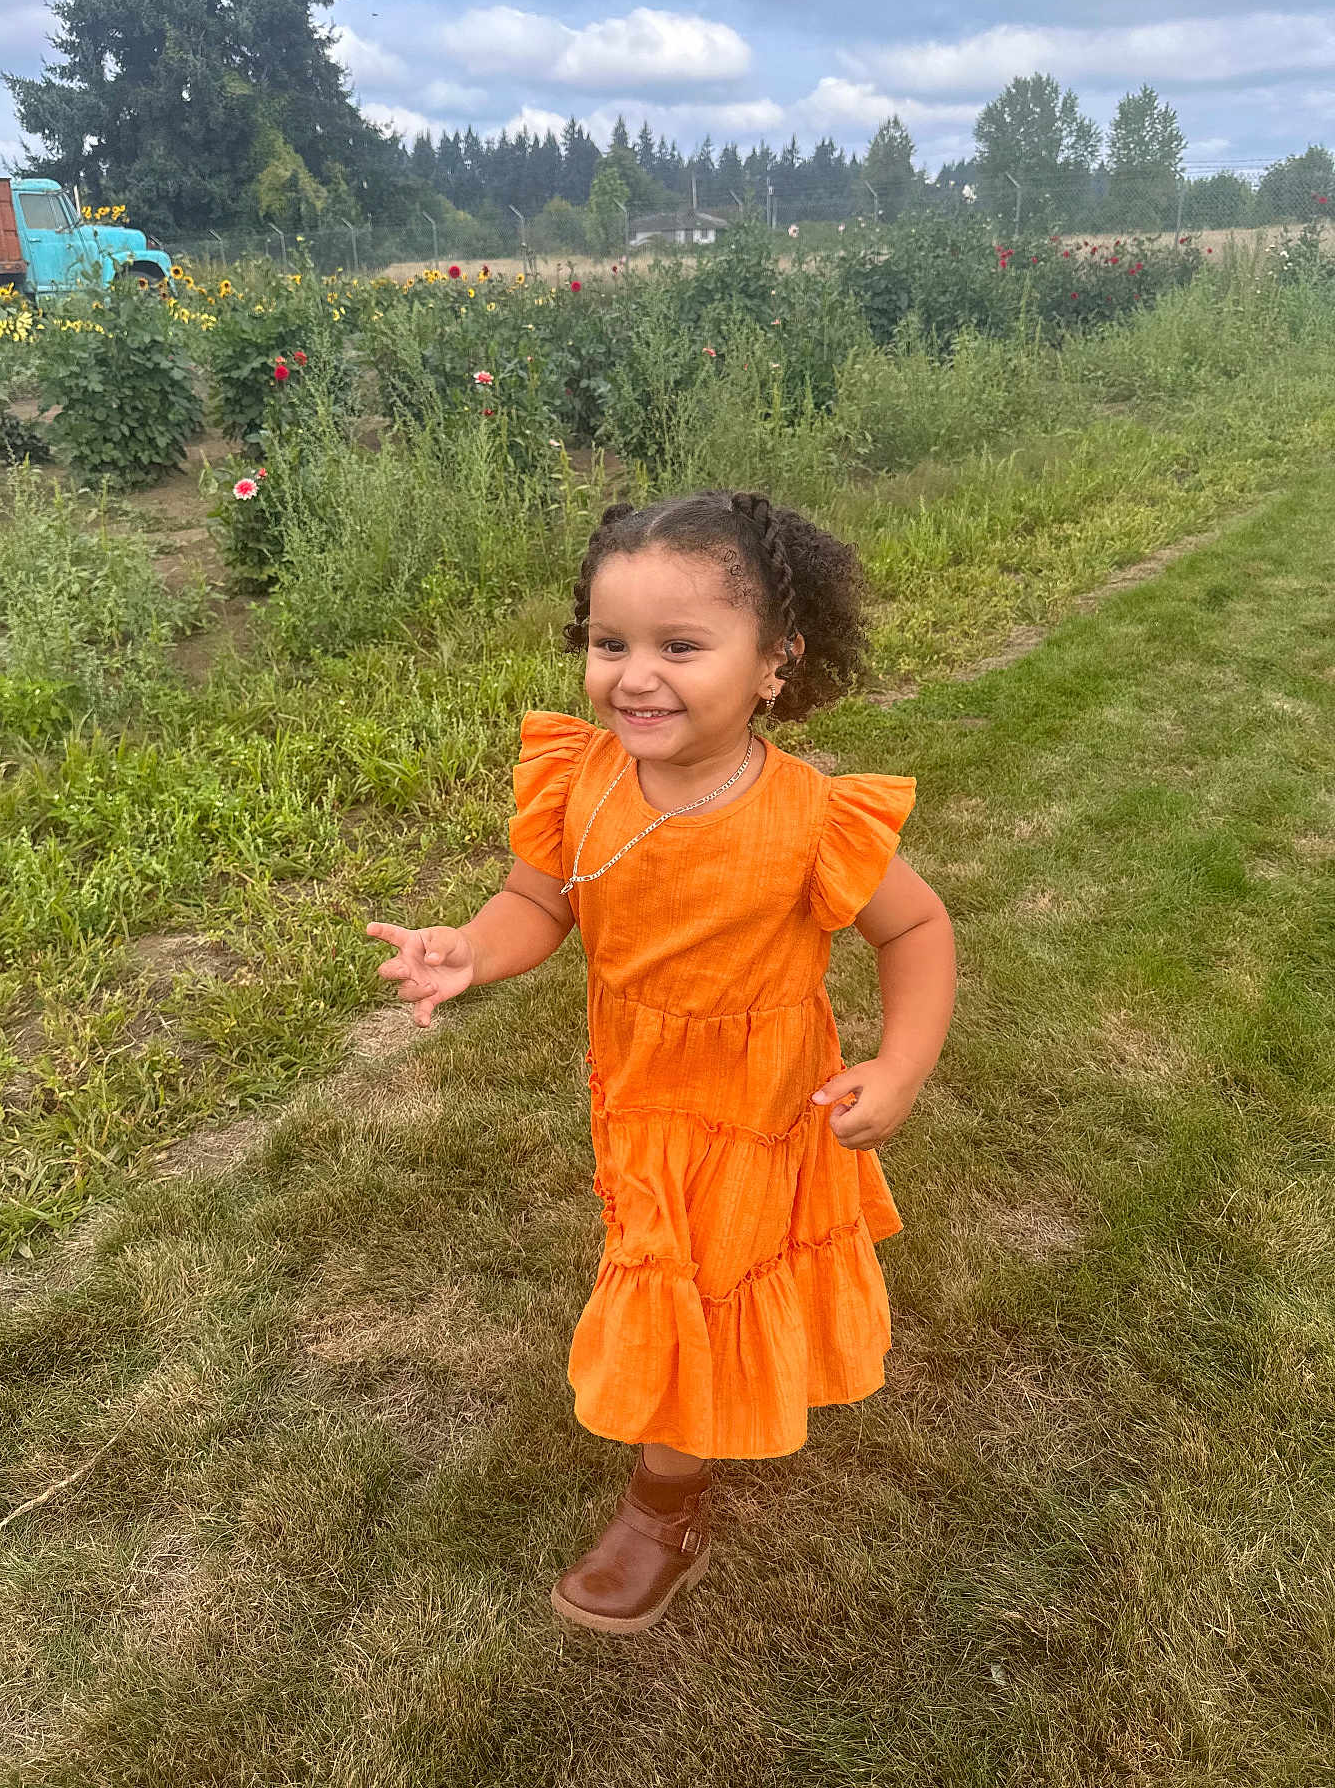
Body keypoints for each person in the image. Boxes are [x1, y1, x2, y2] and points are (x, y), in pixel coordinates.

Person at [366, 488, 956, 1636]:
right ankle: (686, 1444)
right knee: (663, 1256)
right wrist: (470, 952)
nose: (635, 676)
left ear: (776, 662)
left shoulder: (808, 820)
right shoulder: (581, 777)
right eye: (610, 641)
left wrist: (901, 1067)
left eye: (681, 646)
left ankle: (664, 1503)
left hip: (757, 1101)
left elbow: (917, 930)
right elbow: (540, 902)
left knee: (684, 1279)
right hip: (635, 1085)